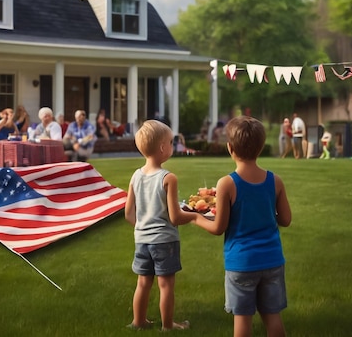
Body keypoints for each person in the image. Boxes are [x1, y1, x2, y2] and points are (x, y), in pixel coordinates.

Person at [192, 116, 292, 337]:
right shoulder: (275, 181)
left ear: (230, 148)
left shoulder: (226, 183)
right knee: (273, 317)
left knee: (243, 321)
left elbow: (219, 227)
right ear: (261, 147)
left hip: (242, 263)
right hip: (272, 261)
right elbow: (285, 219)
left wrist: (194, 219)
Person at [124, 119, 198, 331]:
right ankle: (168, 326)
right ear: (163, 148)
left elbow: (129, 213)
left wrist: (143, 227)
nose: (172, 146)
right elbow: (175, 217)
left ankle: (138, 322)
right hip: (165, 241)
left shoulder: (136, 176)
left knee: (143, 283)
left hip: (141, 240)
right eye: (171, 142)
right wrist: (194, 217)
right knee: (165, 285)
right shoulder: (168, 178)